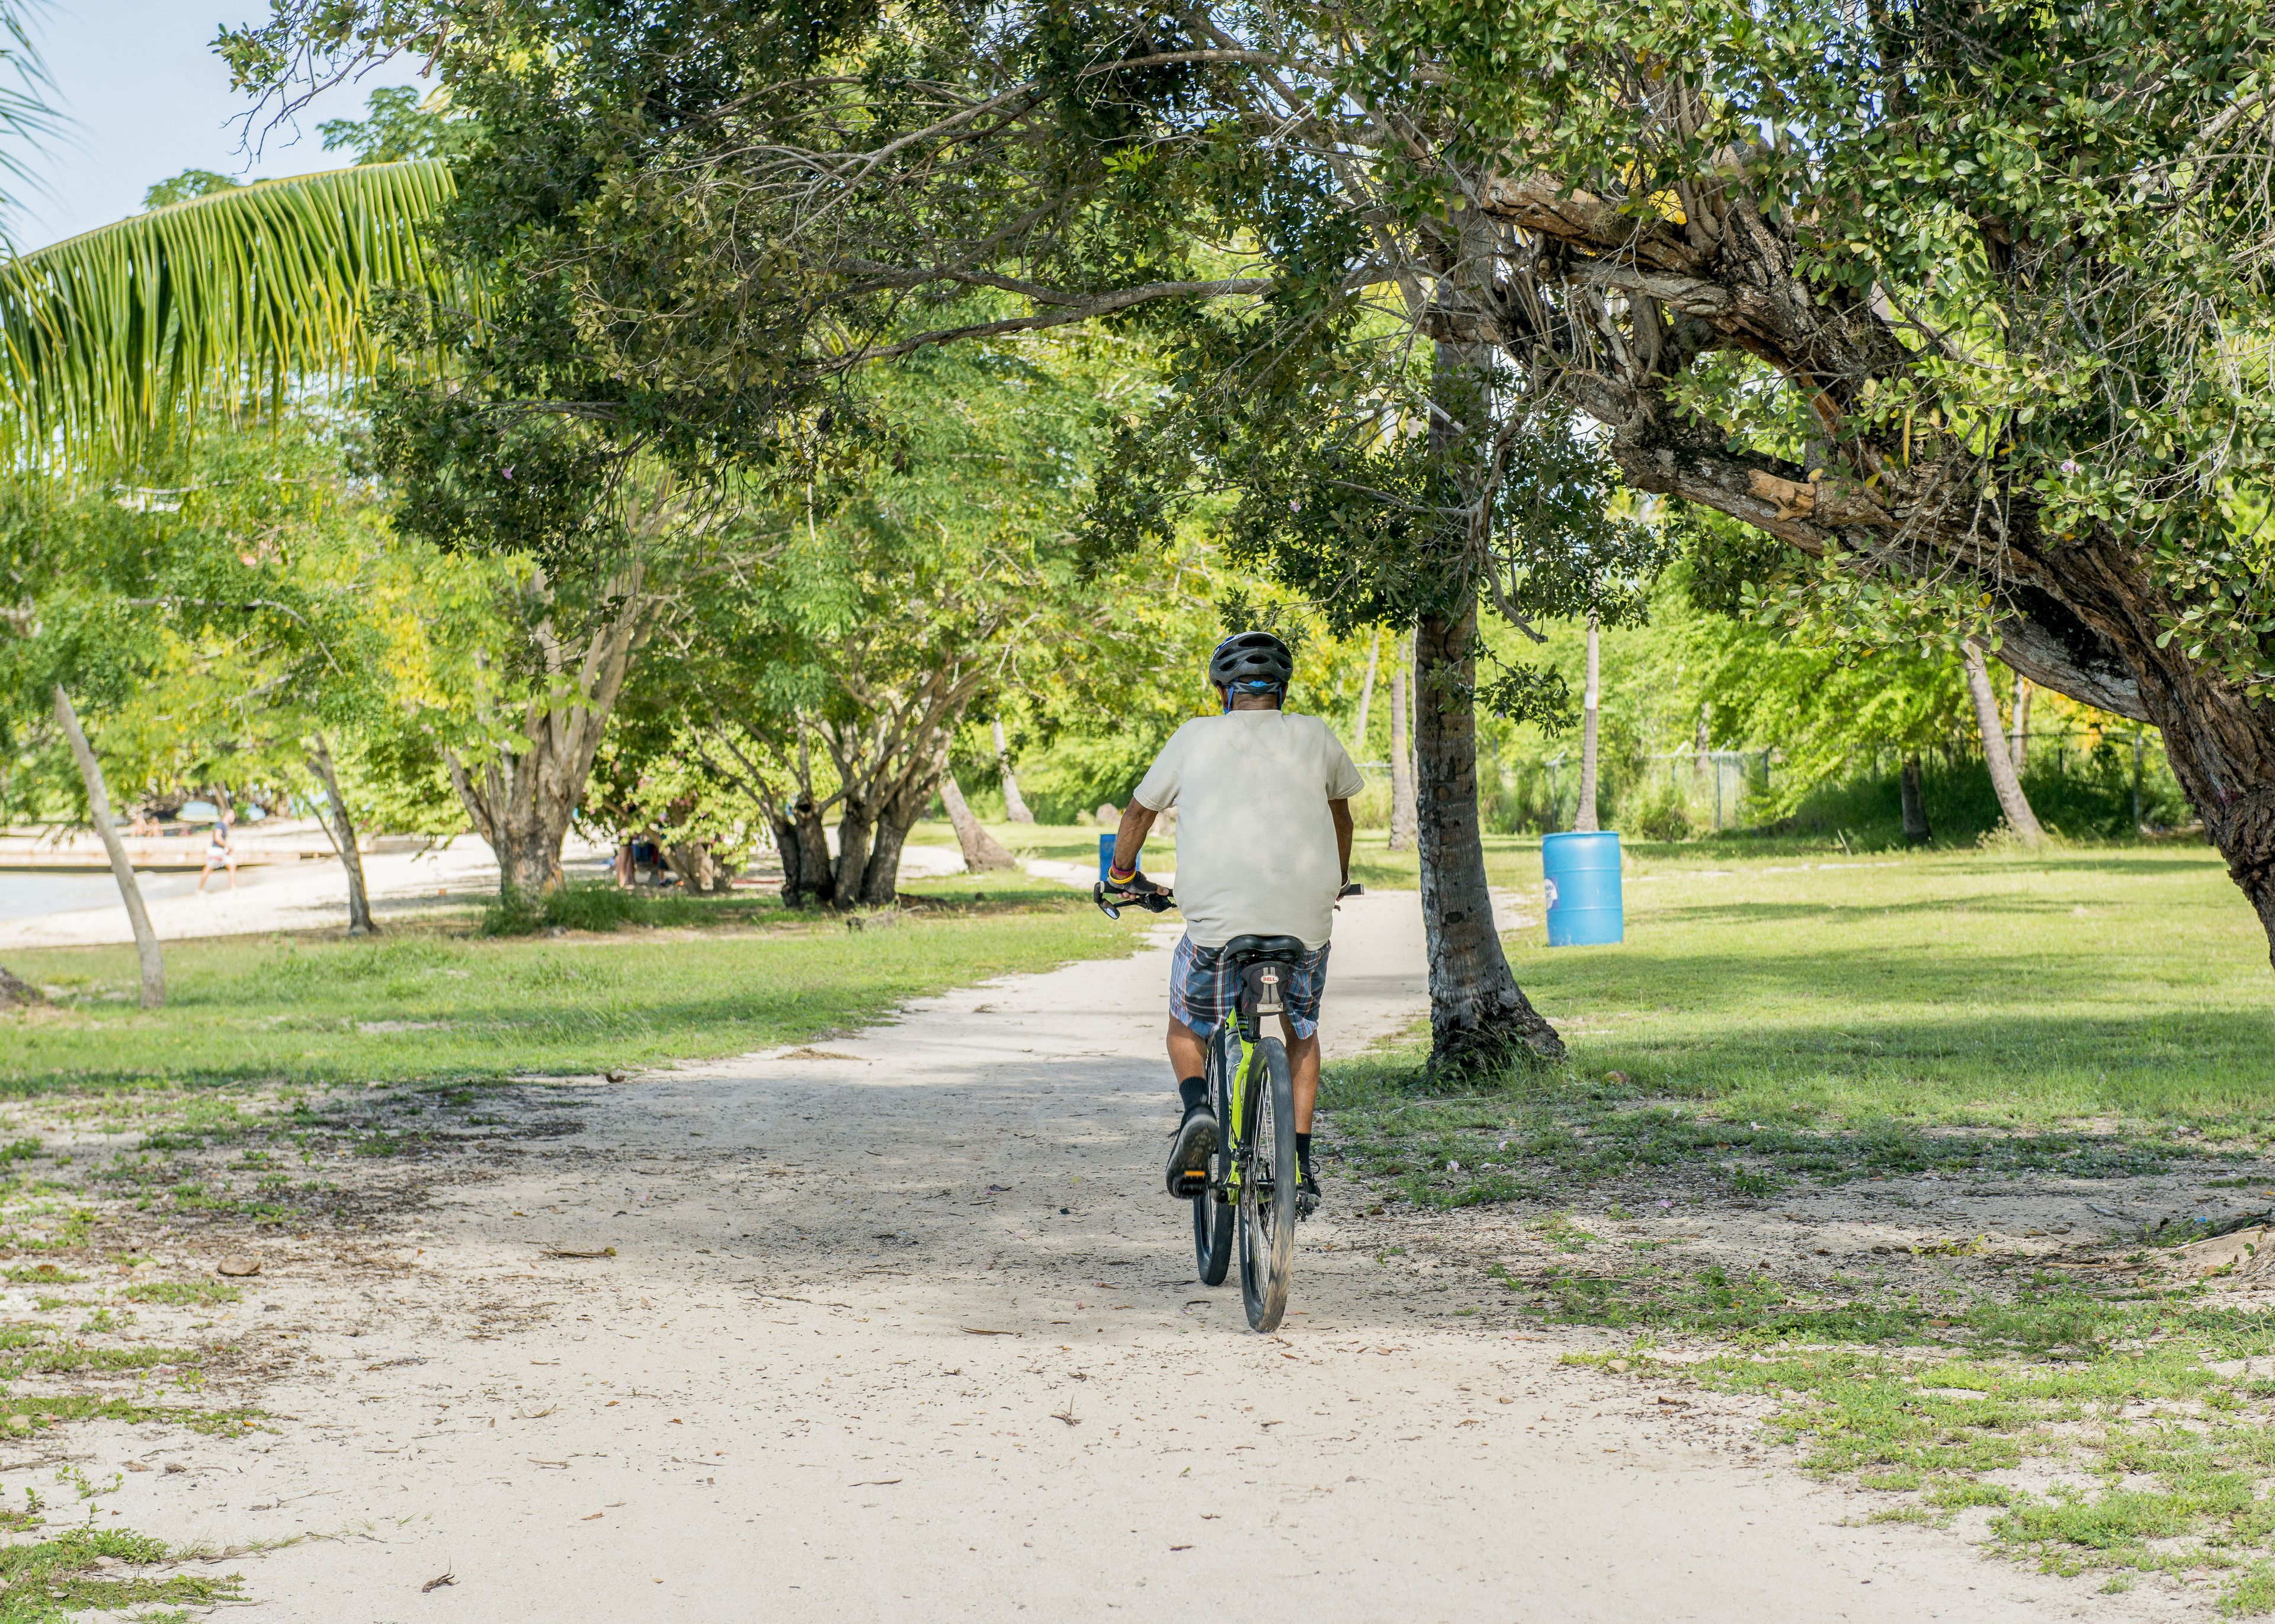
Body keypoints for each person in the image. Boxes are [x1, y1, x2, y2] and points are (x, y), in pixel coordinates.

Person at [1104, 630, 1363, 1210]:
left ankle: (1198, 1110)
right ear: (1282, 689)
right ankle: (1299, 1164)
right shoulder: (1316, 735)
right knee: (1301, 1032)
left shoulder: (1195, 737)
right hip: (1306, 923)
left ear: (1223, 691)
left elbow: (1140, 810)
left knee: (1185, 1028)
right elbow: (1340, 815)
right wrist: (1334, 879)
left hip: (1218, 932)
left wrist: (1122, 878)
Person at [197, 817, 238, 893]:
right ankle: (200, 889)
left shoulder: (225, 825)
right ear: (227, 815)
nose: (233, 817)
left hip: (222, 851)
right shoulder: (220, 825)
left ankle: (233, 887)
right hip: (216, 851)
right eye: (232, 815)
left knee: (232, 864)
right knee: (209, 868)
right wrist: (228, 846)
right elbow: (217, 838)